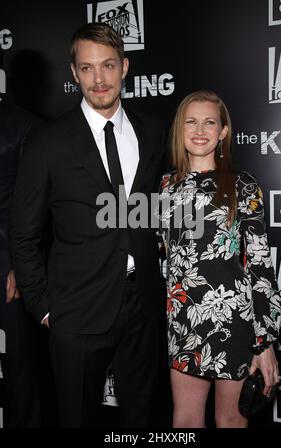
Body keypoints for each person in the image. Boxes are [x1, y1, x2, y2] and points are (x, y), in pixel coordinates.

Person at [10, 22, 167, 428]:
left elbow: (155, 213)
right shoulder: (47, 141)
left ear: (125, 67)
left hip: (143, 307)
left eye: (108, 66)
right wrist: (43, 309)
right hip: (75, 311)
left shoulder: (152, 132)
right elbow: (24, 233)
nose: (99, 79)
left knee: (144, 418)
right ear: (74, 72)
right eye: (87, 68)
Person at [158, 90, 281, 428]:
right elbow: (159, 258)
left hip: (235, 323)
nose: (200, 130)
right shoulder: (165, 188)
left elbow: (259, 264)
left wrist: (264, 340)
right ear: (179, 130)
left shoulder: (243, 186)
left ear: (223, 131)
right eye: (191, 122)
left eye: (209, 122)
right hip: (184, 322)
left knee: (230, 421)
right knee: (184, 421)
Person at [0, 97, 56, 427]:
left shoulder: (22, 124)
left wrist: (21, 268)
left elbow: (36, 205)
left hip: (7, 265)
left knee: (20, 369)